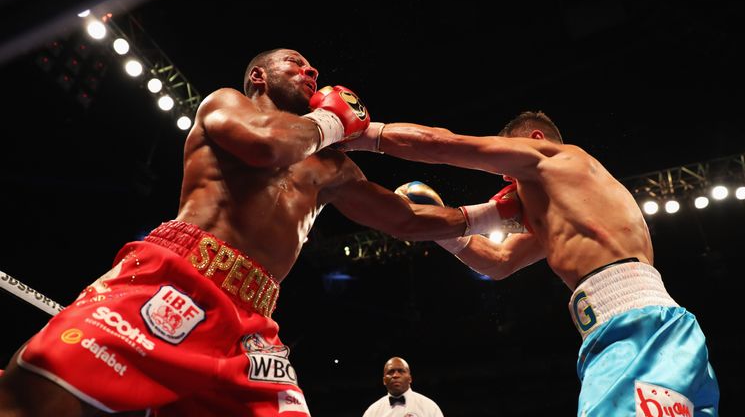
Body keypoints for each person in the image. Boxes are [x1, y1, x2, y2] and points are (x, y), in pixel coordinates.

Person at [0, 48, 472, 417]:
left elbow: (406, 220)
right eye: (296, 64)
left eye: (314, 69)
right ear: (259, 77)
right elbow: (268, 146)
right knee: (39, 395)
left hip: (251, 324)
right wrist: (330, 120)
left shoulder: (333, 167)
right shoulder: (226, 104)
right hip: (173, 276)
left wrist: (496, 216)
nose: (310, 73)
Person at [343, 112, 720, 416]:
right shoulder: (572, 209)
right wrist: (445, 225)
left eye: (511, 172)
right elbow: (499, 261)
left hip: (638, 332)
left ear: (534, 141)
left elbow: (445, 144)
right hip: (647, 331)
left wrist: (358, 132)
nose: (510, 183)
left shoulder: (561, 158)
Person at [362, 357, 443, 417]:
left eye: (401, 371)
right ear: (384, 380)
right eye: (391, 372)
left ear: (410, 378)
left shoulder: (429, 407)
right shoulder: (372, 412)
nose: (395, 375)